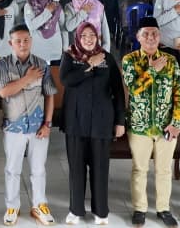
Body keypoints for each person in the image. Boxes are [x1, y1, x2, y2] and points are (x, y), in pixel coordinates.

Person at [121, 16, 180, 228]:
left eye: (154, 33)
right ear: (138, 37)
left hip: (166, 126)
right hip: (139, 127)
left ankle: (163, 209)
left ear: (160, 37)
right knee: (140, 169)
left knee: (164, 170)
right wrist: (151, 71)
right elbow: (134, 89)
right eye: (146, 33)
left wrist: (176, 122)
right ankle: (139, 209)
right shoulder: (129, 60)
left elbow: (179, 93)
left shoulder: (171, 60)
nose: (150, 37)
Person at [59, 21, 124, 226]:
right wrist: (89, 64)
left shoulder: (108, 58)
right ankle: (76, 210)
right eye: (84, 35)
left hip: (102, 121)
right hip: (76, 121)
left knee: (100, 167)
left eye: (92, 36)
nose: (88, 39)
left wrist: (120, 121)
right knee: (77, 167)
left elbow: (118, 91)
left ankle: (101, 211)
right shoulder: (69, 56)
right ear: (78, 37)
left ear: (98, 37)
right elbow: (66, 80)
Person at [0, 24, 58, 227]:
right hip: (14, 127)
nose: (22, 44)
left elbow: (49, 95)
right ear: (10, 43)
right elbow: (4, 92)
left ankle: (39, 205)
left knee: (38, 169)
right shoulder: (4, 65)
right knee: (12, 169)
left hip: (39, 127)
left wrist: (48, 123)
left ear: (31, 40)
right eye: (18, 41)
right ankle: (12, 206)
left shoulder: (42, 64)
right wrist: (28, 79)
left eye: (26, 40)